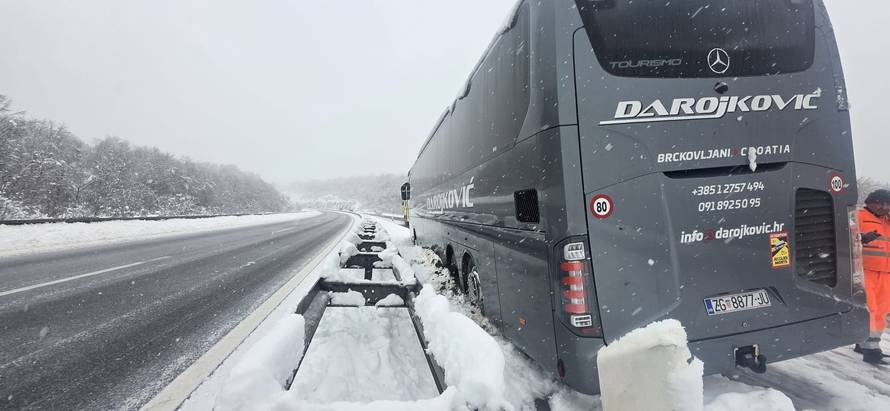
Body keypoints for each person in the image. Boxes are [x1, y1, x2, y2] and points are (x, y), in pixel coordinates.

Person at [854, 189, 890, 364]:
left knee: (882, 311)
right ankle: (871, 350)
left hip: (886, 273)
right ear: (872, 202)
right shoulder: (858, 215)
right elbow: (845, 237)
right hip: (865, 270)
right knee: (870, 309)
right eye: (883, 204)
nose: (885, 207)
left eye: (888, 205)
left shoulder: (887, 221)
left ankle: (862, 342)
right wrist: (861, 238)